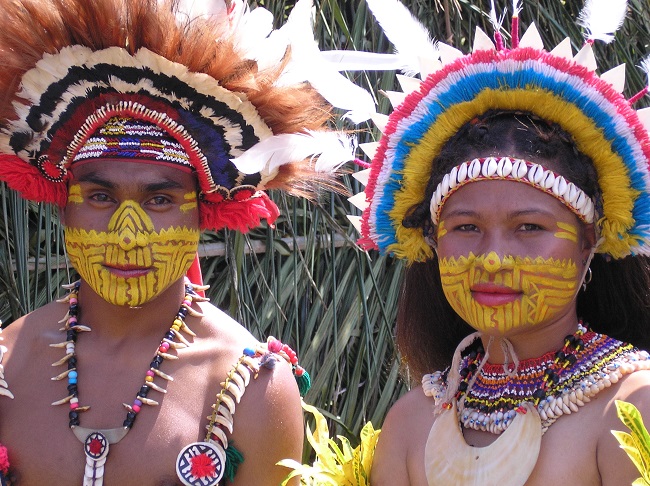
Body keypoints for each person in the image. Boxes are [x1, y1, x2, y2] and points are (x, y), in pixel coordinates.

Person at [0, 0, 365, 484]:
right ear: (62, 202)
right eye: (101, 195)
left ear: (204, 210)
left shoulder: (251, 388)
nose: (127, 235)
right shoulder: (8, 363)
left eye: (160, 200)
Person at [293, 0, 650, 484]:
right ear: (434, 243)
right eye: (466, 228)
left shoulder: (630, 409)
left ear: (590, 242)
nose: (493, 258)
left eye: (529, 228)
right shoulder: (411, 422)